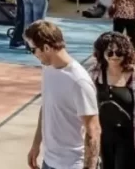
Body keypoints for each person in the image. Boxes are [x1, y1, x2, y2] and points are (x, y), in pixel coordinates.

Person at [24, 20, 100, 169]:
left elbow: (93, 130)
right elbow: (46, 107)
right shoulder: (48, 69)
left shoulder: (79, 81)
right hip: (49, 161)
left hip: (72, 165)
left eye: (33, 49)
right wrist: (36, 144)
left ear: (46, 48)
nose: (33, 54)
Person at [89, 32, 135, 169]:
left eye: (119, 53)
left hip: (128, 138)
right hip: (103, 136)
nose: (114, 56)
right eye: (110, 52)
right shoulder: (95, 73)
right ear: (102, 53)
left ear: (126, 53)